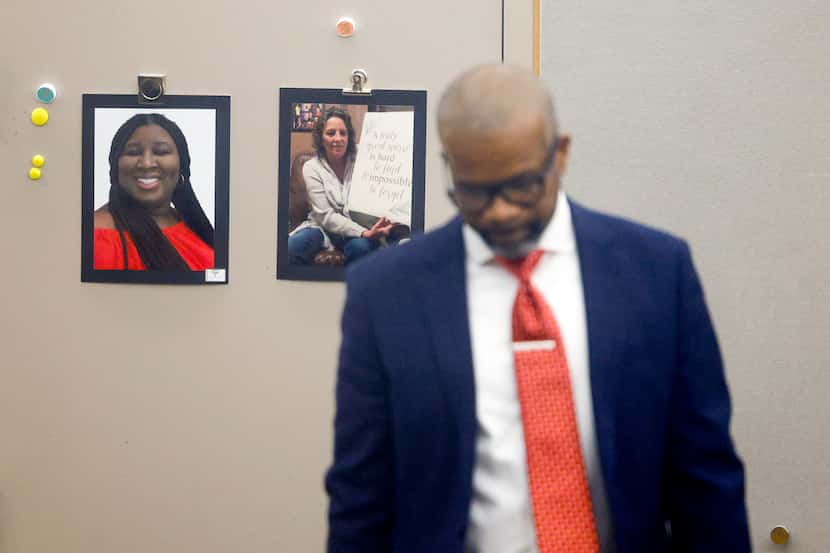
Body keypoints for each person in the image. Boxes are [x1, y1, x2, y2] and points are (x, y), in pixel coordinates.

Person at [325, 64, 750, 553]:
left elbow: (706, 478)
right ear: (450, 167)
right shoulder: (385, 295)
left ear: (561, 155)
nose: (501, 211)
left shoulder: (656, 273)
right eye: (475, 192)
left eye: (522, 186)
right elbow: (361, 493)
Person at [93, 113, 214, 271]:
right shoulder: (94, 236)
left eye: (161, 151)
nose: (147, 163)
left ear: (182, 165)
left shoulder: (197, 228)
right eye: (133, 152)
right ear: (115, 166)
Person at [287, 107, 395, 265]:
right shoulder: (311, 167)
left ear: (349, 136)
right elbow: (326, 216)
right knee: (294, 246)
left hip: (358, 227)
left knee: (361, 249)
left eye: (342, 133)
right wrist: (364, 232)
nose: (338, 138)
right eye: (331, 133)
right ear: (321, 138)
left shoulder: (366, 155)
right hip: (322, 226)